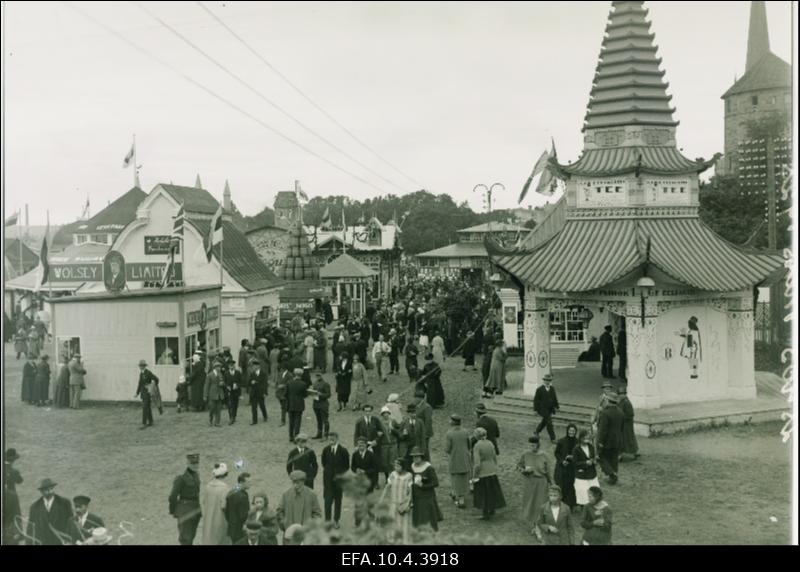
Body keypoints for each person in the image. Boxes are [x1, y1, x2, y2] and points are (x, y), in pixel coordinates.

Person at [518, 435, 552, 540]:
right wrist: (524, 470)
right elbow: (519, 466)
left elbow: (548, 471)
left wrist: (551, 483)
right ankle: (535, 526)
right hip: (530, 483)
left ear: (538, 445)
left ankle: (538, 529)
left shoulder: (544, 456)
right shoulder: (525, 454)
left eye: (534, 445)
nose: (532, 447)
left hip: (541, 483)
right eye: (530, 445)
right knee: (531, 505)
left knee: (539, 505)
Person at [472, 427, 506, 520]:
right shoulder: (490, 443)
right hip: (491, 469)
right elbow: (494, 457)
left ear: (476, 436)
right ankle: (492, 509)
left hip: (483, 471)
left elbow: (477, 463)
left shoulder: (477, 446)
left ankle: (485, 513)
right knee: (491, 491)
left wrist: (474, 475)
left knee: (483, 493)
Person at [26, 478, 74, 545]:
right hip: (42, 542)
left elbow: (71, 523)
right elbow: (30, 530)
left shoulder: (64, 503)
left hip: (61, 542)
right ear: (41, 492)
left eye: (52, 489)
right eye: (47, 490)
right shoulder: (34, 508)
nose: (50, 492)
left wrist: (71, 541)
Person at [169, 453, 202, 545]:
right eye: (193, 464)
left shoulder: (196, 475)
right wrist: (174, 510)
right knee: (185, 539)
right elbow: (173, 496)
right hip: (185, 511)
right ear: (187, 463)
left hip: (195, 510)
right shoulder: (181, 478)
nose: (195, 466)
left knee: (191, 536)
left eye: (197, 463)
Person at [410, 447, 443, 532]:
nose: (415, 459)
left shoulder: (428, 468)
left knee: (429, 518)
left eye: (417, 456)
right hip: (417, 498)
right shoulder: (412, 466)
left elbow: (435, 483)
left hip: (427, 497)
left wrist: (423, 486)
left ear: (421, 457)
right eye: (413, 457)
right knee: (418, 519)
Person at [321, 433, 350, 528]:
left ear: (337, 439)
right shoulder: (326, 450)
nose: (331, 441)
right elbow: (324, 463)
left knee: (338, 502)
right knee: (327, 502)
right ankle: (327, 521)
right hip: (328, 482)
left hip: (338, 482)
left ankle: (336, 520)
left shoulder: (343, 451)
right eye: (329, 439)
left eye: (333, 439)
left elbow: (346, 466)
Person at [444, 414, 471, 509]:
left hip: (454, 457)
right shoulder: (465, 432)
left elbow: (447, 449)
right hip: (465, 457)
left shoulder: (449, 433)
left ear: (453, 422)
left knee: (455, 476)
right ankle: (455, 493)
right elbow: (469, 445)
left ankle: (460, 499)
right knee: (463, 477)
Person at [597, 394, 624, 485]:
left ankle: (612, 474)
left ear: (608, 401)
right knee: (613, 458)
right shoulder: (620, 412)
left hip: (607, 441)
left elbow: (602, 430)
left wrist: (600, 442)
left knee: (601, 457)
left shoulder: (605, 413)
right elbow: (622, 427)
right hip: (617, 440)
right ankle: (614, 475)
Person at [200, 463, 230, 545]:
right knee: (220, 539)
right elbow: (224, 506)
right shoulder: (225, 488)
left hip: (208, 519)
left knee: (208, 539)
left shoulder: (207, 486)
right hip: (219, 519)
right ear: (225, 474)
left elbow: (204, 502)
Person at [383, 458, 413, 541]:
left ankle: (404, 540)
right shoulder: (393, 474)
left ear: (403, 467)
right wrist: (381, 499)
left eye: (398, 466)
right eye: (395, 466)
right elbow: (387, 487)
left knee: (404, 523)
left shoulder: (409, 476)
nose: (396, 467)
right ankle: (392, 539)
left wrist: (408, 503)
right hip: (393, 502)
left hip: (403, 504)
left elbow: (411, 491)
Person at [572, 430, 600, 509]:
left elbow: (593, 458)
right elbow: (574, 463)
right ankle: (584, 508)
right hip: (581, 475)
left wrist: (594, 461)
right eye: (585, 438)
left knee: (594, 490)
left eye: (588, 438)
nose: (587, 440)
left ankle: (593, 505)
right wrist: (585, 463)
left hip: (591, 474)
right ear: (581, 438)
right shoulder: (576, 449)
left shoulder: (591, 447)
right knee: (583, 492)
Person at [554, 424, 579, 510]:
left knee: (572, 486)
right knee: (562, 485)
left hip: (573, 468)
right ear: (567, 431)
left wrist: (574, 458)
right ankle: (561, 503)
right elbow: (556, 453)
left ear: (575, 432)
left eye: (573, 431)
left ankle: (570, 505)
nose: (571, 432)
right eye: (570, 430)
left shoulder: (578, 442)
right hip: (563, 467)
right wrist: (562, 461)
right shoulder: (561, 441)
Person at [288, 368, 317, 442]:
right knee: (297, 421)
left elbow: (286, 393)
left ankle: (290, 436)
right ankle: (296, 436)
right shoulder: (303, 384)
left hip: (290, 403)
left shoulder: (289, 382)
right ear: (301, 375)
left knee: (291, 421)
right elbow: (304, 395)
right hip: (299, 404)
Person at [3, 449, 23, 545]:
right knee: (15, 515)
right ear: (13, 460)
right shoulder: (13, 471)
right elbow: (20, 481)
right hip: (11, 497)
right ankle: (16, 534)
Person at [225, 472, 251, 544]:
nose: (250, 484)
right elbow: (244, 516)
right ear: (241, 482)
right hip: (240, 529)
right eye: (248, 482)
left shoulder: (231, 493)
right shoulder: (243, 496)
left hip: (232, 527)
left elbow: (226, 512)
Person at [533, 373, 560, 441]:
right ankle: (553, 438)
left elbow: (554, 398)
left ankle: (537, 431)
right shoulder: (539, 389)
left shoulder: (552, 389)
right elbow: (536, 400)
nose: (547, 382)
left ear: (550, 381)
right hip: (543, 409)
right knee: (549, 423)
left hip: (550, 409)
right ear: (544, 381)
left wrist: (557, 406)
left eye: (549, 380)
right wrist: (535, 410)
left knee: (544, 422)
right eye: (546, 380)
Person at [617, 386, 640, 460]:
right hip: (623, 424)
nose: (621, 395)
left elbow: (630, 414)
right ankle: (623, 453)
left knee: (629, 439)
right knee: (626, 439)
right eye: (620, 394)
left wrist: (622, 418)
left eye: (623, 394)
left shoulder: (626, 402)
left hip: (627, 424)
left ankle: (633, 453)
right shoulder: (622, 401)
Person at [135, 359, 159, 429]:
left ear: (145, 366)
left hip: (148, 393)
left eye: (142, 365)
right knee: (147, 407)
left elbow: (156, 379)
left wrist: (152, 386)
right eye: (140, 366)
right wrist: (137, 393)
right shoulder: (141, 373)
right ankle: (151, 421)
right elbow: (140, 384)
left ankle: (144, 423)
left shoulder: (148, 373)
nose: (141, 367)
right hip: (143, 393)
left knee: (145, 407)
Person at [377, 407, 399, 482]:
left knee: (392, 462)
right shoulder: (379, 423)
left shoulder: (393, 421)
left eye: (387, 413)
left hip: (393, 444)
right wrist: (378, 434)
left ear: (389, 414)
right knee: (385, 462)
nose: (385, 415)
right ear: (382, 415)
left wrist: (393, 429)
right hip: (384, 445)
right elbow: (376, 433)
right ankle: (387, 478)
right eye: (384, 413)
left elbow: (399, 432)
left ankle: (393, 478)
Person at [205, 360, 226, 428]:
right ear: (215, 367)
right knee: (212, 408)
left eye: (220, 367)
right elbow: (207, 385)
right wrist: (205, 395)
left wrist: (222, 384)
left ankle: (217, 422)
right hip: (212, 394)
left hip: (219, 393)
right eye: (218, 367)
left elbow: (223, 382)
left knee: (218, 409)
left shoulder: (220, 374)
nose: (219, 368)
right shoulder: (210, 375)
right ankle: (210, 421)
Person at [248, 359, 268, 425]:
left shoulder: (263, 374)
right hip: (254, 392)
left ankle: (265, 416)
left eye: (254, 366)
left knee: (262, 405)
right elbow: (248, 383)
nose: (253, 367)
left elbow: (265, 384)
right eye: (253, 366)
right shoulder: (252, 374)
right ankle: (254, 420)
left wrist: (265, 392)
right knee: (253, 407)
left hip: (261, 392)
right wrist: (251, 382)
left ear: (258, 366)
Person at [312, 373, 332, 439]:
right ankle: (319, 434)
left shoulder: (325, 384)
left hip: (323, 404)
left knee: (325, 420)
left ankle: (326, 435)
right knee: (318, 420)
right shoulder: (315, 383)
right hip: (316, 404)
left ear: (321, 375)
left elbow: (328, 395)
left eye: (319, 375)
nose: (317, 377)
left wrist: (321, 394)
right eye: (316, 375)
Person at [224, 360, 242, 425]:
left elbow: (241, 382)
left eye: (232, 365)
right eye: (230, 365)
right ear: (228, 366)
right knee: (230, 404)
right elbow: (224, 382)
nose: (231, 366)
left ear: (234, 366)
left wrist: (237, 386)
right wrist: (227, 386)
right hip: (229, 391)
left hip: (236, 391)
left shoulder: (238, 373)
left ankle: (234, 416)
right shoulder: (226, 373)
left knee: (235, 404)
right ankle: (231, 417)